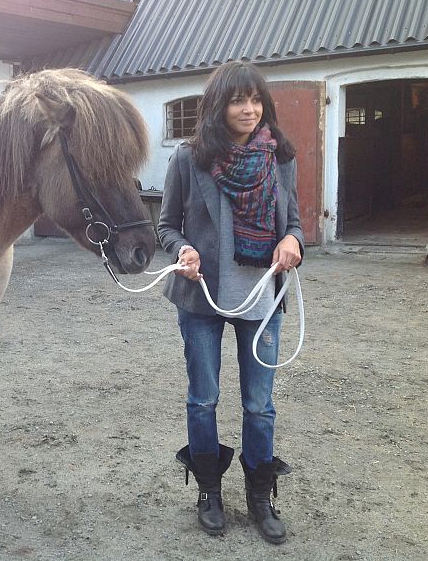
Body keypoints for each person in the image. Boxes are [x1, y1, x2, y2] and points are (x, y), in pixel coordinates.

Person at [157, 61, 303, 544]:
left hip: (261, 298)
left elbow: (296, 223)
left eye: (256, 100)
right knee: (204, 399)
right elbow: (166, 224)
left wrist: (293, 242)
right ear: (218, 106)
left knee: (259, 406)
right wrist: (183, 249)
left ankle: (261, 496)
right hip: (201, 298)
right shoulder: (188, 159)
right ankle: (209, 491)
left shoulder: (280, 158)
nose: (248, 109)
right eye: (238, 100)